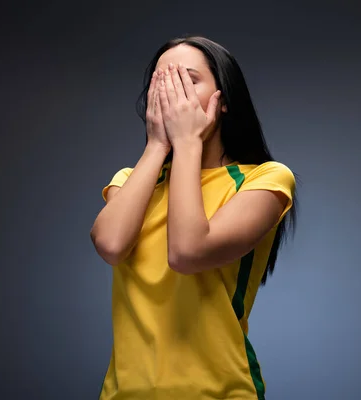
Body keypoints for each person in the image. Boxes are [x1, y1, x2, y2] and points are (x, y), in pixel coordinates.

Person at [90, 36, 298, 400]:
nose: (172, 93)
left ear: (224, 101)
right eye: (161, 81)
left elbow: (186, 252)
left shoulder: (264, 179)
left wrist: (188, 143)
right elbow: (110, 245)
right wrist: (158, 145)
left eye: (187, 79)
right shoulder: (131, 180)